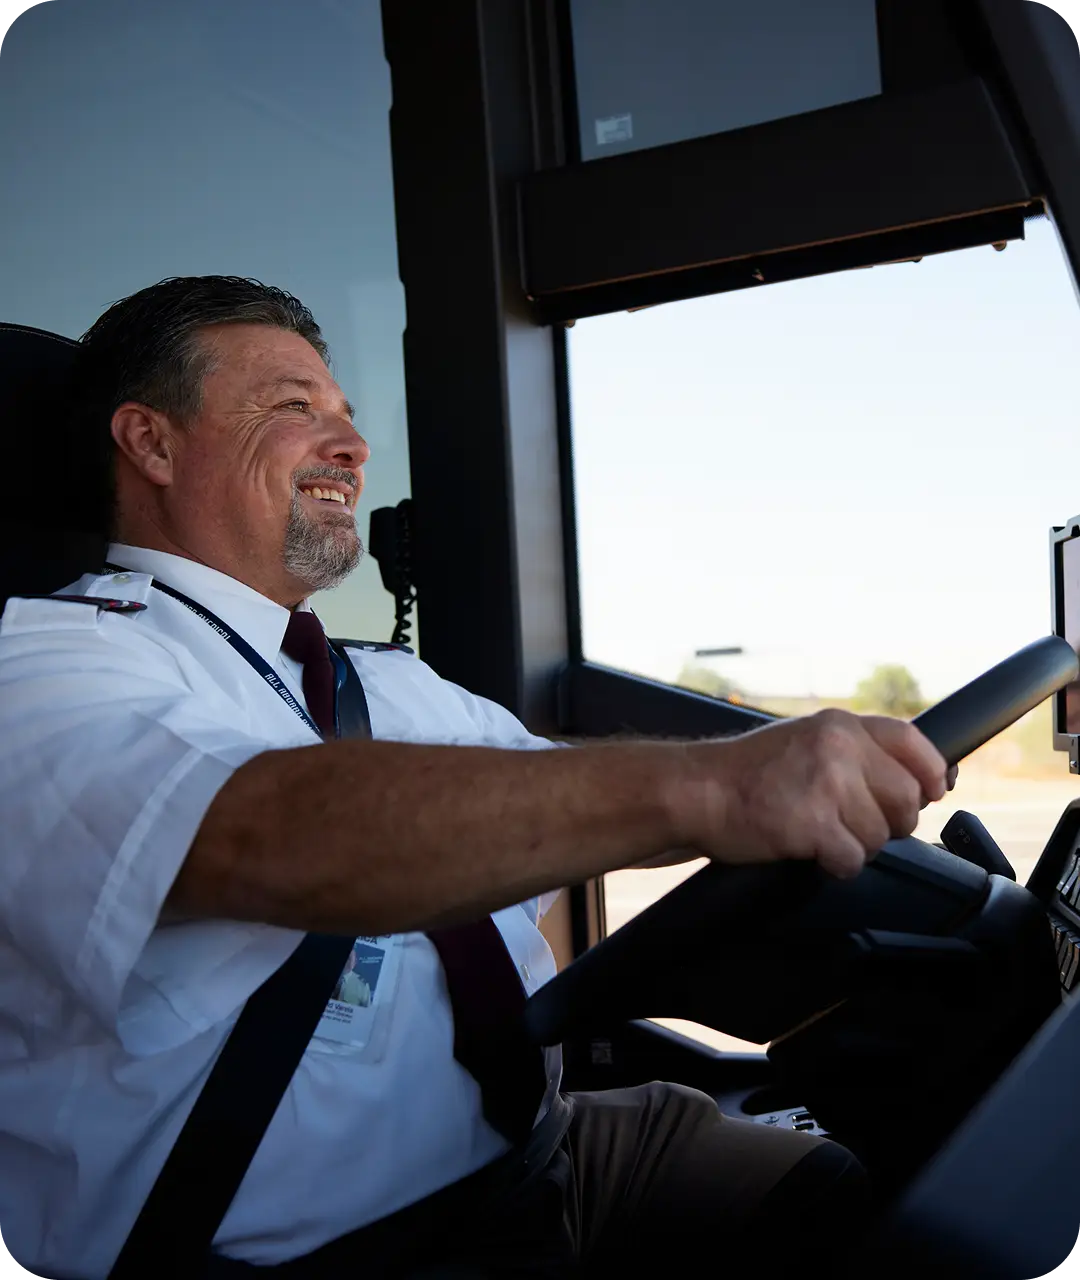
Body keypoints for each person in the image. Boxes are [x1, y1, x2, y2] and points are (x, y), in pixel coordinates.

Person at [0, 277, 950, 1279]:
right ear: (150, 443)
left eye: (347, 418)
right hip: (321, 1253)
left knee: (866, 1199)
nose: (353, 449)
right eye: (293, 408)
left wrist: (785, 795)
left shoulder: (389, 682)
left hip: (538, 1150)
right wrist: (714, 787)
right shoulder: (46, 661)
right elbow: (259, 830)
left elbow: (547, 798)